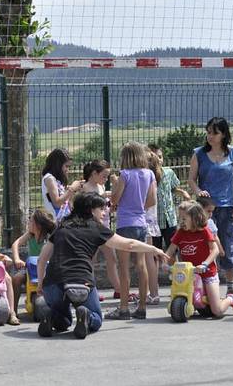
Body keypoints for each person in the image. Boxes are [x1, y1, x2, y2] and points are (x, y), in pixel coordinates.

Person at [36, 192, 169, 339]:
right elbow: (129, 244)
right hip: (81, 281)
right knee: (96, 319)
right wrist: (154, 249)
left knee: (63, 320)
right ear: (91, 210)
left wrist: (41, 283)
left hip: (53, 283)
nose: (105, 212)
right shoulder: (96, 229)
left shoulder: (61, 227)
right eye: (102, 208)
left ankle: (50, 316)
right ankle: (86, 316)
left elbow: (42, 259)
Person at [187, 117, 233, 301]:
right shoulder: (199, 154)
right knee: (204, 245)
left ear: (223, 134)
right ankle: (202, 284)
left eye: (214, 132)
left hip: (227, 207)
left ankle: (231, 287)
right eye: (208, 132)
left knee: (227, 245)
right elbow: (191, 179)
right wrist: (198, 191)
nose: (210, 136)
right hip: (205, 208)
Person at [164, 201, 233, 318]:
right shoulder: (181, 233)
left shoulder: (204, 231)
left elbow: (215, 250)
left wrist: (205, 264)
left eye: (184, 218)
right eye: (180, 218)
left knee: (217, 311)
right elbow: (170, 250)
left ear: (194, 218)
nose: (181, 221)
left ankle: (230, 299)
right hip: (190, 273)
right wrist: (165, 262)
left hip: (207, 273)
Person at [106, 142, 156, 320]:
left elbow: (115, 199)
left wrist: (114, 186)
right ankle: (142, 306)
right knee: (141, 266)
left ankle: (124, 307)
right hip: (141, 223)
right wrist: (138, 206)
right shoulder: (149, 174)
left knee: (124, 267)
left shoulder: (125, 174)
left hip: (125, 224)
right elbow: (151, 201)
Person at [81, 159, 121, 299]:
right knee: (91, 260)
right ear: (94, 173)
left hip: (104, 228)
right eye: (104, 176)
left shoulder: (101, 187)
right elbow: (88, 206)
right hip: (91, 229)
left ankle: (118, 289)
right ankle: (91, 291)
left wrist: (110, 205)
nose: (105, 179)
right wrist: (103, 197)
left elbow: (104, 207)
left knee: (112, 258)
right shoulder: (86, 187)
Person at [10, 209, 56, 313]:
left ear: (38, 225)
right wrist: (17, 259)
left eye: (30, 221)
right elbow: (15, 244)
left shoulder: (50, 238)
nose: (28, 222)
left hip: (46, 270)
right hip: (30, 269)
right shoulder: (30, 235)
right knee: (17, 279)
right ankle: (13, 311)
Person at [148, 144, 190, 251]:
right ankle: (157, 268)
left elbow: (173, 188)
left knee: (173, 248)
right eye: (155, 157)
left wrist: (183, 193)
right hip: (154, 220)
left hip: (170, 218)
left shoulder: (169, 172)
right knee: (155, 250)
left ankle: (174, 267)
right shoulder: (146, 176)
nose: (159, 160)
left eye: (160, 157)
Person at [41, 148, 83, 219]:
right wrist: (71, 189)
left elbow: (64, 200)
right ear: (58, 165)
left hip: (64, 219)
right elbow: (57, 203)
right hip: (56, 221)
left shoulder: (57, 180)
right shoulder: (49, 179)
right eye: (66, 166)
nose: (68, 170)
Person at [144, 151, 162, 305]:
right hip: (149, 220)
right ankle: (152, 292)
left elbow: (150, 201)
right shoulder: (151, 176)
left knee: (148, 258)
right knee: (149, 257)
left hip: (145, 220)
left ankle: (153, 293)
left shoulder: (148, 176)